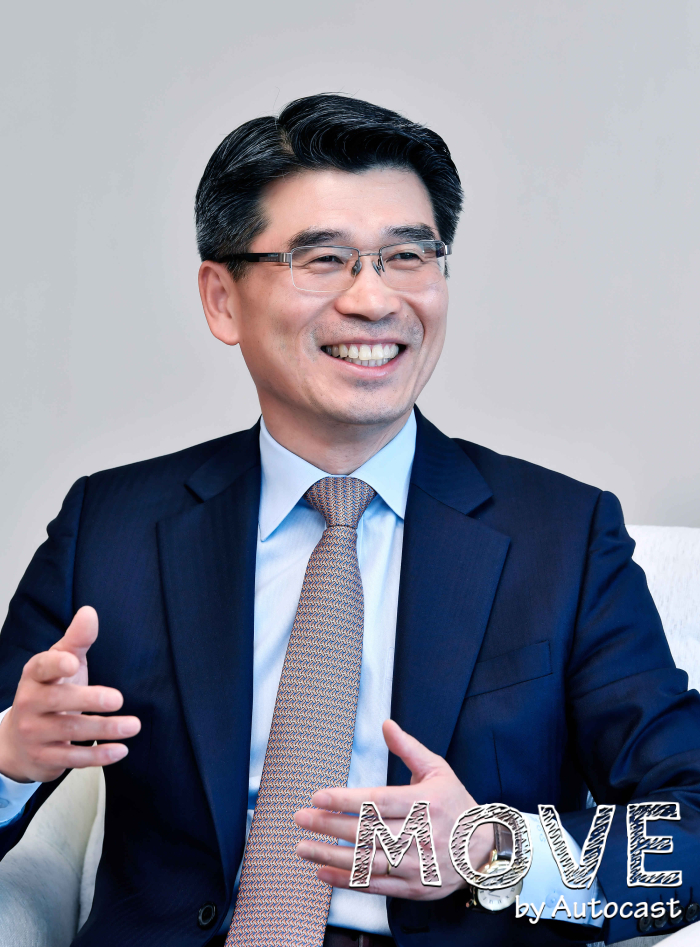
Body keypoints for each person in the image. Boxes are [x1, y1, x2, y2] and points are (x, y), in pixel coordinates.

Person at [0, 94, 698, 947]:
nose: (374, 299)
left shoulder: (562, 537)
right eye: (323, 259)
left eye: (408, 255)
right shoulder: (111, 527)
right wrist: (9, 759)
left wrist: (496, 850)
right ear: (222, 299)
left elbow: (692, 830)